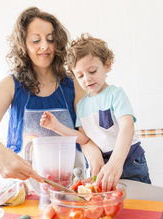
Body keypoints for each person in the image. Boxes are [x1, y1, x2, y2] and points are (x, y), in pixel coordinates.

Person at [0, 7, 94, 184]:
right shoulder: (9, 85)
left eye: (50, 39)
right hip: (23, 189)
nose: (44, 46)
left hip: (70, 189)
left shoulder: (75, 85)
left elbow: (90, 137)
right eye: (36, 40)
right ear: (23, 44)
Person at [40, 33, 151, 191]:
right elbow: (84, 139)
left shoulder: (115, 94)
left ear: (107, 65)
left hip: (129, 160)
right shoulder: (83, 105)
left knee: (142, 206)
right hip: (104, 166)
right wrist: (56, 127)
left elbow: (127, 126)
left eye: (92, 71)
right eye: (80, 75)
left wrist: (116, 161)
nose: (87, 79)